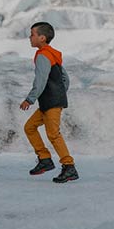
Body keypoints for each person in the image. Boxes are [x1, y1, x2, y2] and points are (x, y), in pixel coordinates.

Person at [20, 21, 79, 183]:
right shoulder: (52, 53)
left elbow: (40, 80)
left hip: (51, 102)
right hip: (51, 101)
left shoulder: (43, 56)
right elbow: (65, 79)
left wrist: (29, 99)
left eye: (32, 34)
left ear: (42, 38)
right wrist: (60, 94)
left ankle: (69, 166)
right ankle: (45, 159)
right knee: (30, 127)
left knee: (53, 134)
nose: (29, 37)